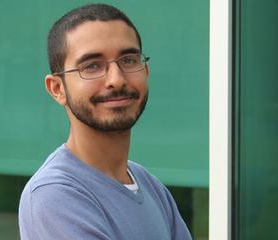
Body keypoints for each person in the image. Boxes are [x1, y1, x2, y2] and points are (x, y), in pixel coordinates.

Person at [18, 3, 192, 240]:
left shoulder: (150, 185)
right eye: (92, 66)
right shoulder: (54, 195)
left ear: (146, 72)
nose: (116, 80)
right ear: (57, 88)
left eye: (129, 60)